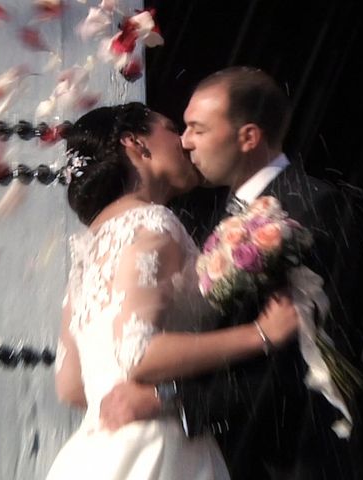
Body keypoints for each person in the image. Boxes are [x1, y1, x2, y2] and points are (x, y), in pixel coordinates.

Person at [99, 67, 363, 479]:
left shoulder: (311, 208)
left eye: (198, 129)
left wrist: (172, 398)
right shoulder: (213, 215)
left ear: (248, 137)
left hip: (303, 455)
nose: (185, 142)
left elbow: (314, 355)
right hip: (236, 453)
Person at [47, 102, 300, 480]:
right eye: (170, 127)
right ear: (135, 143)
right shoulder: (153, 221)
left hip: (91, 454)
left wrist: (131, 395)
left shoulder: (87, 249)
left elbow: (70, 386)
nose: (184, 140)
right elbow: (138, 353)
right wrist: (260, 334)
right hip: (156, 452)